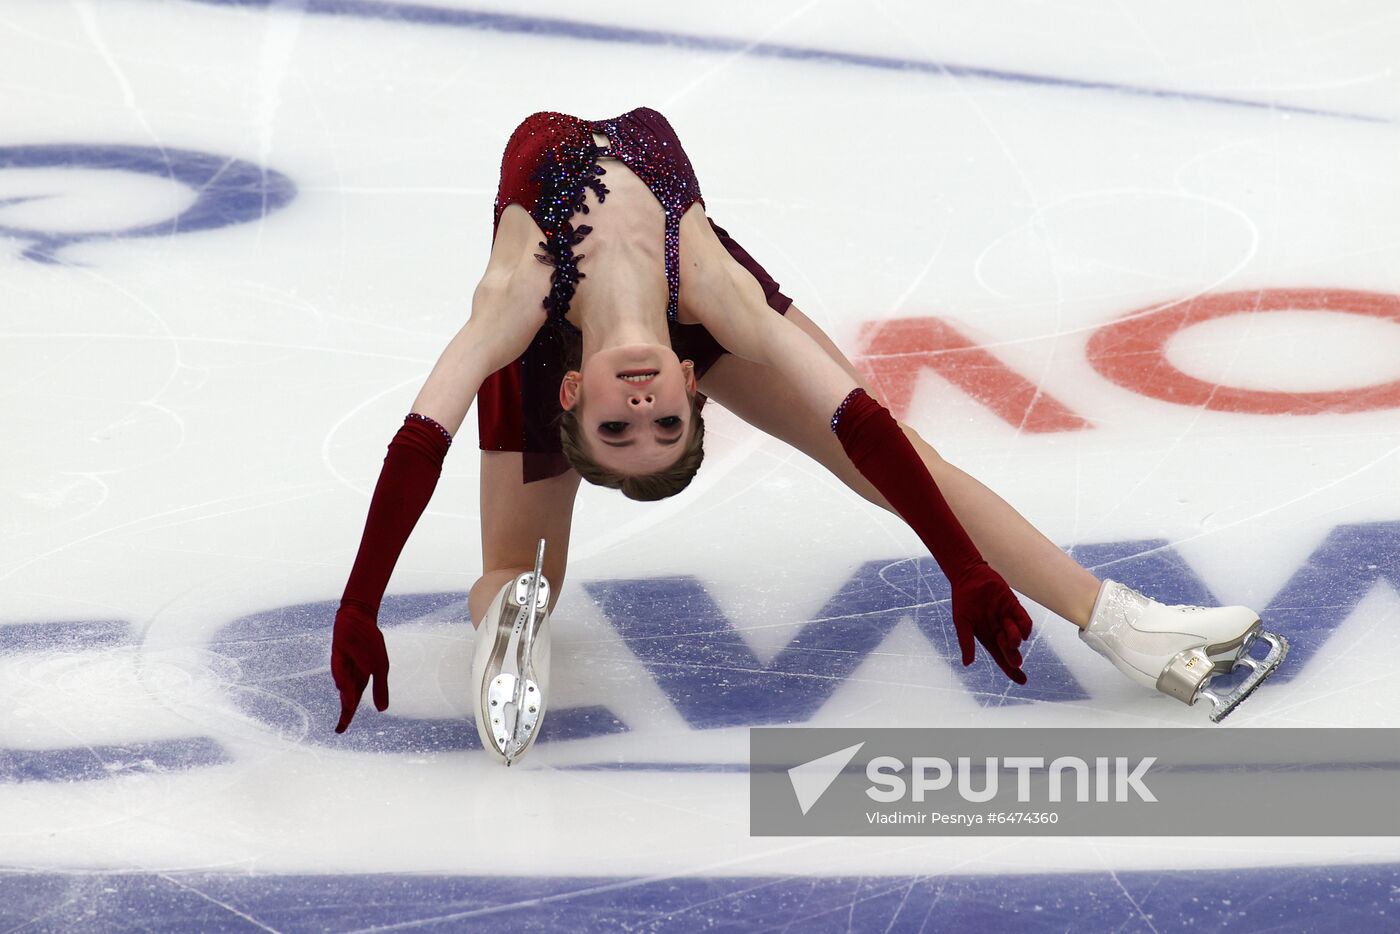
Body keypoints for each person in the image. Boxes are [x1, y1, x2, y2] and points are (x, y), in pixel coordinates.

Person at [330, 108, 1286, 761]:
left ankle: (1127, 630)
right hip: (671, 306)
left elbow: (421, 437)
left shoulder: (519, 298)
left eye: (621, 425)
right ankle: (1123, 626)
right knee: (534, 567)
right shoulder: (716, 298)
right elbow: (860, 421)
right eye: (660, 423)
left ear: (575, 396)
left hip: (548, 341)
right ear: (692, 391)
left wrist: (361, 604)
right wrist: (961, 567)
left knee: (521, 560)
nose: (641, 401)